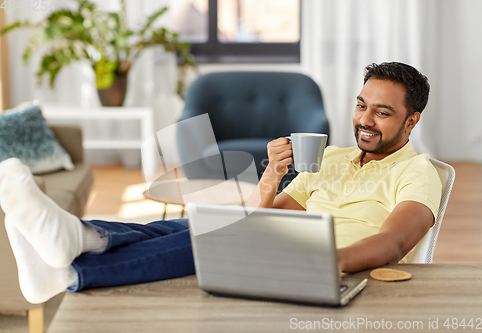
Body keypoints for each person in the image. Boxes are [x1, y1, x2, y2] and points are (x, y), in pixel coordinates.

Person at [1, 62, 441, 304]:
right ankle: (76, 247)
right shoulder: (333, 157)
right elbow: (269, 214)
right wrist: (272, 172)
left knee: (209, 235)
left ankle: (69, 263)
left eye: (381, 112)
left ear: (411, 119)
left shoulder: (417, 172)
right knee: (182, 226)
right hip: (282, 240)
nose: (364, 119)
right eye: (362, 105)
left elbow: (392, 244)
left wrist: (325, 261)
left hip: (317, 262)